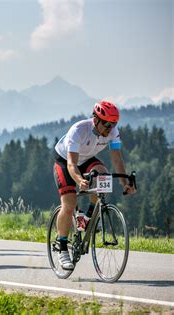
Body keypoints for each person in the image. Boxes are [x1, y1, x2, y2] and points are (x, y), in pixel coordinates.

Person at [53, 101, 136, 270]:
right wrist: (79, 180)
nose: (110, 128)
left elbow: (117, 158)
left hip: (88, 159)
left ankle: (88, 216)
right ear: (96, 120)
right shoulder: (79, 130)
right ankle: (62, 249)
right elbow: (71, 164)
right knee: (69, 204)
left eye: (114, 124)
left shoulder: (113, 133)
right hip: (65, 160)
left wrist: (124, 182)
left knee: (103, 175)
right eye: (106, 124)